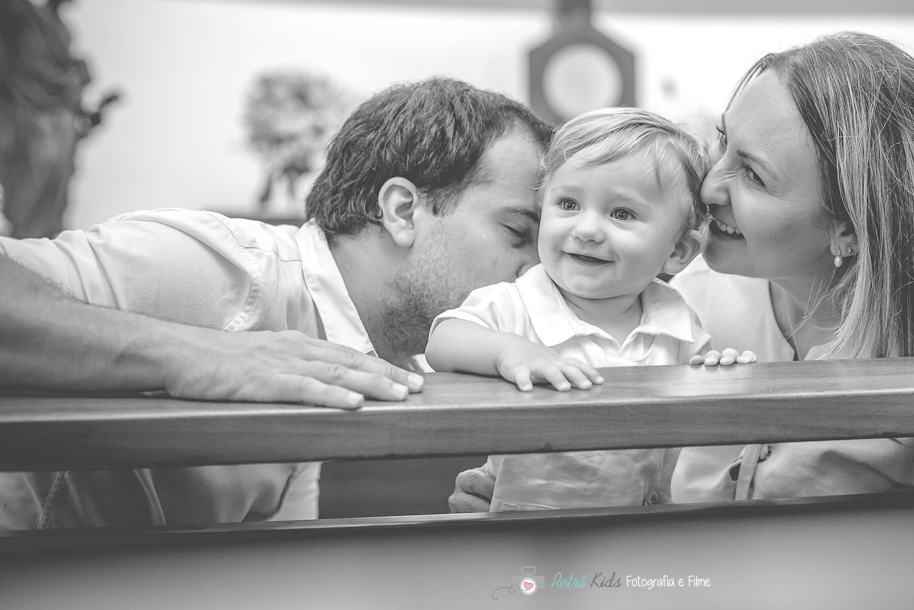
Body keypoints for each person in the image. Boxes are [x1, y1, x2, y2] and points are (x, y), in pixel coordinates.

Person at [449, 32, 914, 511]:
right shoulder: (687, 305)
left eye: (752, 174)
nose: (711, 186)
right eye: (721, 143)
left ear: (850, 227)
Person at [0, 76, 552, 528]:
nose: (539, 264)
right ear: (404, 210)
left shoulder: (337, 355)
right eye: (516, 230)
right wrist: (192, 354)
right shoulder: (217, 268)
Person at [427, 108, 753, 511]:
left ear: (678, 251)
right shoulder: (517, 303)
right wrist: (509, 352)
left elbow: (701, 409)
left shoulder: (675, 318)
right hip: (521, 521)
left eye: (621, 214)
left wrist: (721, 372)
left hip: (635, 523)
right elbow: (443, 338)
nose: (586, 229)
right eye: (567, 204)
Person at [0, 0, 120, 238]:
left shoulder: (64, 32)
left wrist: (84, 90)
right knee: (30, 181)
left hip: (59, 121)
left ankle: (43, 243)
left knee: (56, 185)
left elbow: (66, 86)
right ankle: (24, 242)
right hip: (28, 114)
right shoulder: (28, 15)